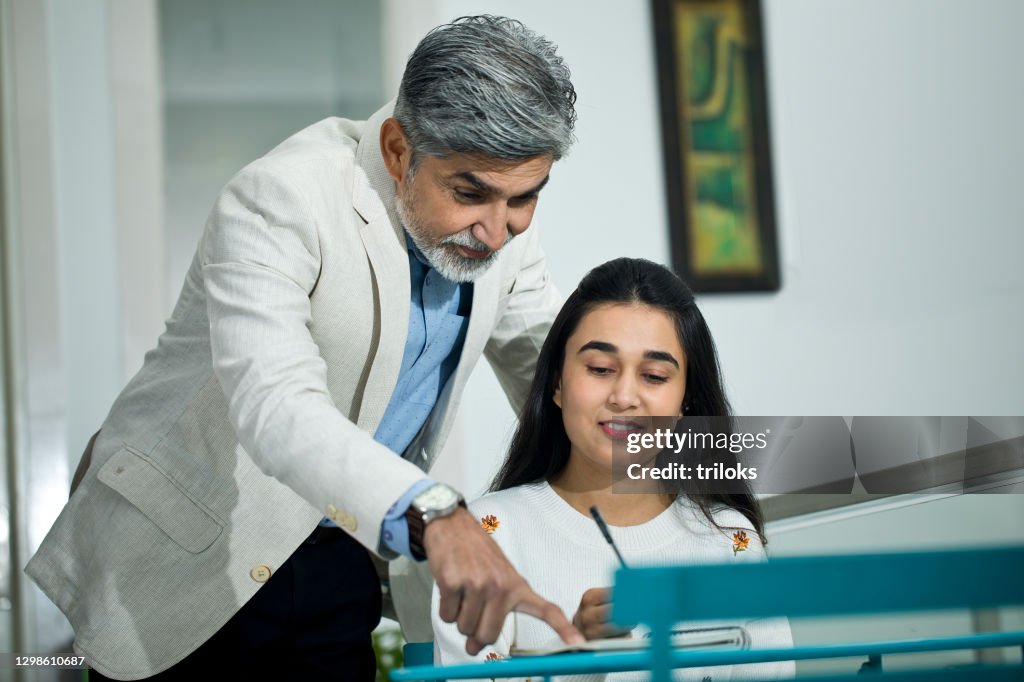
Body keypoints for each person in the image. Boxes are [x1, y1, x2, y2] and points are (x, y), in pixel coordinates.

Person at [25, 15, 585, 681]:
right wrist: (436, 510)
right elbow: (275, 403)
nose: (497, 232)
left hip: (336, 552)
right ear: (399, 150)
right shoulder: (279, 198)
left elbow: (569, 383)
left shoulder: (505, 227)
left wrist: (715, 473)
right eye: (470, 194)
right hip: (184, 556)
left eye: (524, 199)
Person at [430, 258, 795, 680]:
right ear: (557, 384)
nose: (624, 396)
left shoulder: (730, 543)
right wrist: (576, 658)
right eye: (600, 369)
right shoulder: (484, 535)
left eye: (655, 376)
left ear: (685, 405)